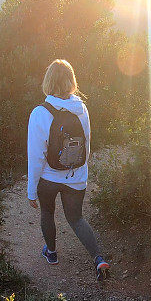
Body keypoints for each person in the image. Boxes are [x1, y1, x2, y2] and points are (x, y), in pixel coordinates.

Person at [27, 59, 110, 280]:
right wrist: (79, 170)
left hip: (48, 178)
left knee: (47, 213)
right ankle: (98, 259)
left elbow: (36, 157)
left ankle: (51, 253)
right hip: (75, 175)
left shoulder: (40, 113)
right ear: (71, 81)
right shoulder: (82, 108)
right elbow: (87, 143)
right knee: (76, 218)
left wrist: (31, 190)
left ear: (48, 81)